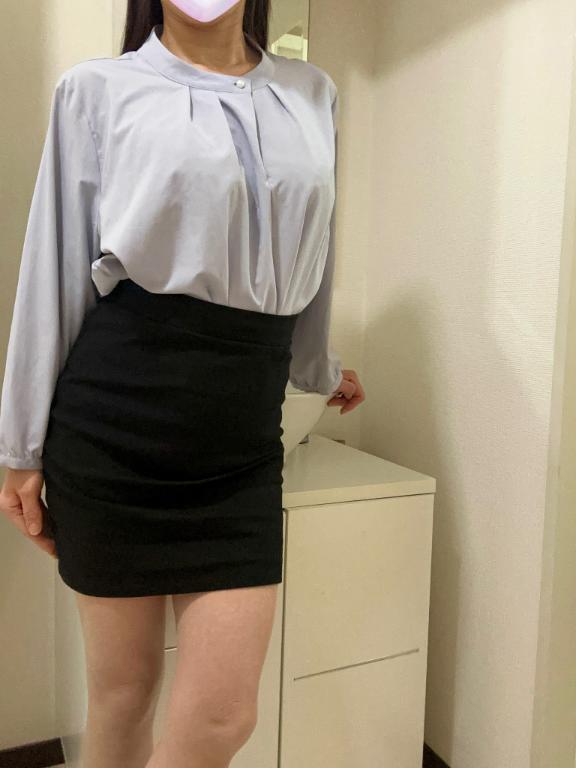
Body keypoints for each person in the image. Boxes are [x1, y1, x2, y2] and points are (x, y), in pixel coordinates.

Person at [0, 1, 365, 766]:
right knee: (122, 697)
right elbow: (53, 272)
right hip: (113, 428)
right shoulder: (96, 91)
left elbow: (313, 252)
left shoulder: (314, 94)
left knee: (223, 718)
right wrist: (20, 447)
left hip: (241, 450)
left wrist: (315, 369)